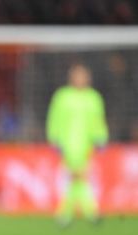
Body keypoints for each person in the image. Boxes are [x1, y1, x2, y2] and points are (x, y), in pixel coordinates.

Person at [47, 63, 109, 226]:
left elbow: (99, 120)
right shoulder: (62, 96)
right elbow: (54, 118)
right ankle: (86, 212)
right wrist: (54, 138)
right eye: (77, 75)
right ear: (71, 77)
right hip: (67, 144)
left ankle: (70, 213)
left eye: (83, 76)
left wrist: (101, 137)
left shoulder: (93, 97)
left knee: (81, 177)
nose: (80, 79)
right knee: (75, 177)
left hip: (86, 145)